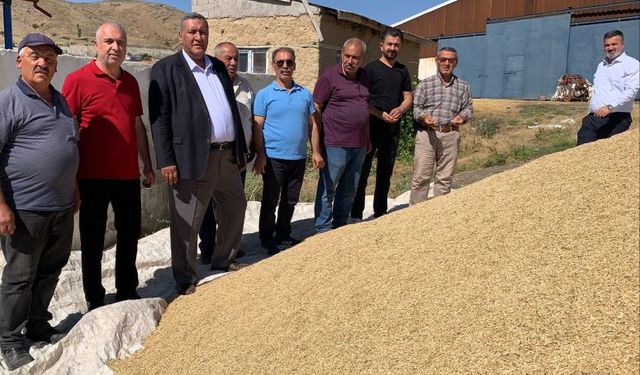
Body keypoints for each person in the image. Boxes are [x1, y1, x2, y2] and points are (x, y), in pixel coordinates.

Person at [149, 13, 248, 295]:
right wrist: (166, 160)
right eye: (192, 32)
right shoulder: (166, 69)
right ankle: (185, 276)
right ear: (181, 35)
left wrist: (239, 150)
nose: (198, 37)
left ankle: (223, 259)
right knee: (186, 221)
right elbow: (160, 119)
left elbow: (230, 109)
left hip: (226, 156)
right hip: (191, 158)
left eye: (203, 32)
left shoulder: (217, 66)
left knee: (235, 206)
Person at [62, 23, 155, 311]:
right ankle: (94, 297)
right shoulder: (78, 81)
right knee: (92, 241)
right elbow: (67, 129)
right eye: (110, 42)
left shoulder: (129, 83)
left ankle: (127, 290)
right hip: (92, 177)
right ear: (97, 45)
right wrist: (71, 177)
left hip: (127, 175)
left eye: (121, 43)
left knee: (129, 235)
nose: (116, 47)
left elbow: (137, 125)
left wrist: (147, 165)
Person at [0, 33, 79, 370]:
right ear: (20, 61)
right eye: (35, 55)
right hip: (24, 209)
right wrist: (1, 206)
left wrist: (73, 186)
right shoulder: (9, 101)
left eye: (49, 56)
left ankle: (36, 324)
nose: (43, 62)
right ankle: (8, 340)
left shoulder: (61, 102)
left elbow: (68, 148)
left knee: (50, 270)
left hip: (61, 207)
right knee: (20, 277)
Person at [252, 47, 323, 255]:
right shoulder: (264, 95)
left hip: (298, 158)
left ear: (294, 65)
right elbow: (257, 127)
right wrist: (260, 155)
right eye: (280, 62)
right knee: (270, 201)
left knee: (290, 201)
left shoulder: (305, 94)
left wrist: (316, 152)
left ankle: (283, 235)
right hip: (273, 158)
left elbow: (313, 125)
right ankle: (267, 239)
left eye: (289, 62)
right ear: (273, 66)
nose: (285, 66)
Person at [198, 42, 254, 265]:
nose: (232, 63)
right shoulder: (210, 84)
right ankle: (208, 249)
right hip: (211, 155)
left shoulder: (246, 86)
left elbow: (251, 121)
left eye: (235, 59)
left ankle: (228, 249)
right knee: (207, 206)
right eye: (227, 59)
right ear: (217, 59)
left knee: (232, 205)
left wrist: (252, 151)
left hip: (237, 155)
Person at [351, 27, 413, 221]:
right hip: (370, 128)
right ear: (381, 46)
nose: (392, 48)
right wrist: (379, 114)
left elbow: (408, 97)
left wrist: (401, 110)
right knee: (362, 174)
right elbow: (362, 100)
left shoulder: (402, 70)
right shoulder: (369, 70)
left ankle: (380, 213)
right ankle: (355, 214)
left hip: (392, 129)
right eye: (389, 44)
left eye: (396, 45)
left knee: (385, 174)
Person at [313, 38, 370, 233]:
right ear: (341, 54)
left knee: (349, 188)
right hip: (334, 143)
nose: (350, 61)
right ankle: (323, 226)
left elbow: (366, 110)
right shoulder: (329, 77)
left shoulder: (365, 77)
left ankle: (340, 224)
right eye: (347, 56)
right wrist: (316, 145)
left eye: (355, 57)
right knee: (328, 188)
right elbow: (316, 110)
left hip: (360, 144)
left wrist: (367, 138)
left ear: (362, 59)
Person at [410, 47, 473, 204]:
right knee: (421, 178)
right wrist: (424, 117)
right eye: (443, 59)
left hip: (450, 135)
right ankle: (414, 216)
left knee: (444, 179)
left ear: (456, 63)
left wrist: (462, 117)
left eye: (451, 60)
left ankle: (438, 218)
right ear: (437, 61)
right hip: (427, 135)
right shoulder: (425, 84)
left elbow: (468, 108)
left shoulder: (463, 86)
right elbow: (416, 108)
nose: (446, 63)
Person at [577, 30, 639, 145]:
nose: (610, 48)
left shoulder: (632, 64)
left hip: (616, 118)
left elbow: (631, 91)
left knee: (607, 154)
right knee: (582, 149)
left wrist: (610, 107)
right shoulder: (601, 65)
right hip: (594, 118)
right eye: (607, 45)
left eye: (614, 44)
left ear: (622, 45)